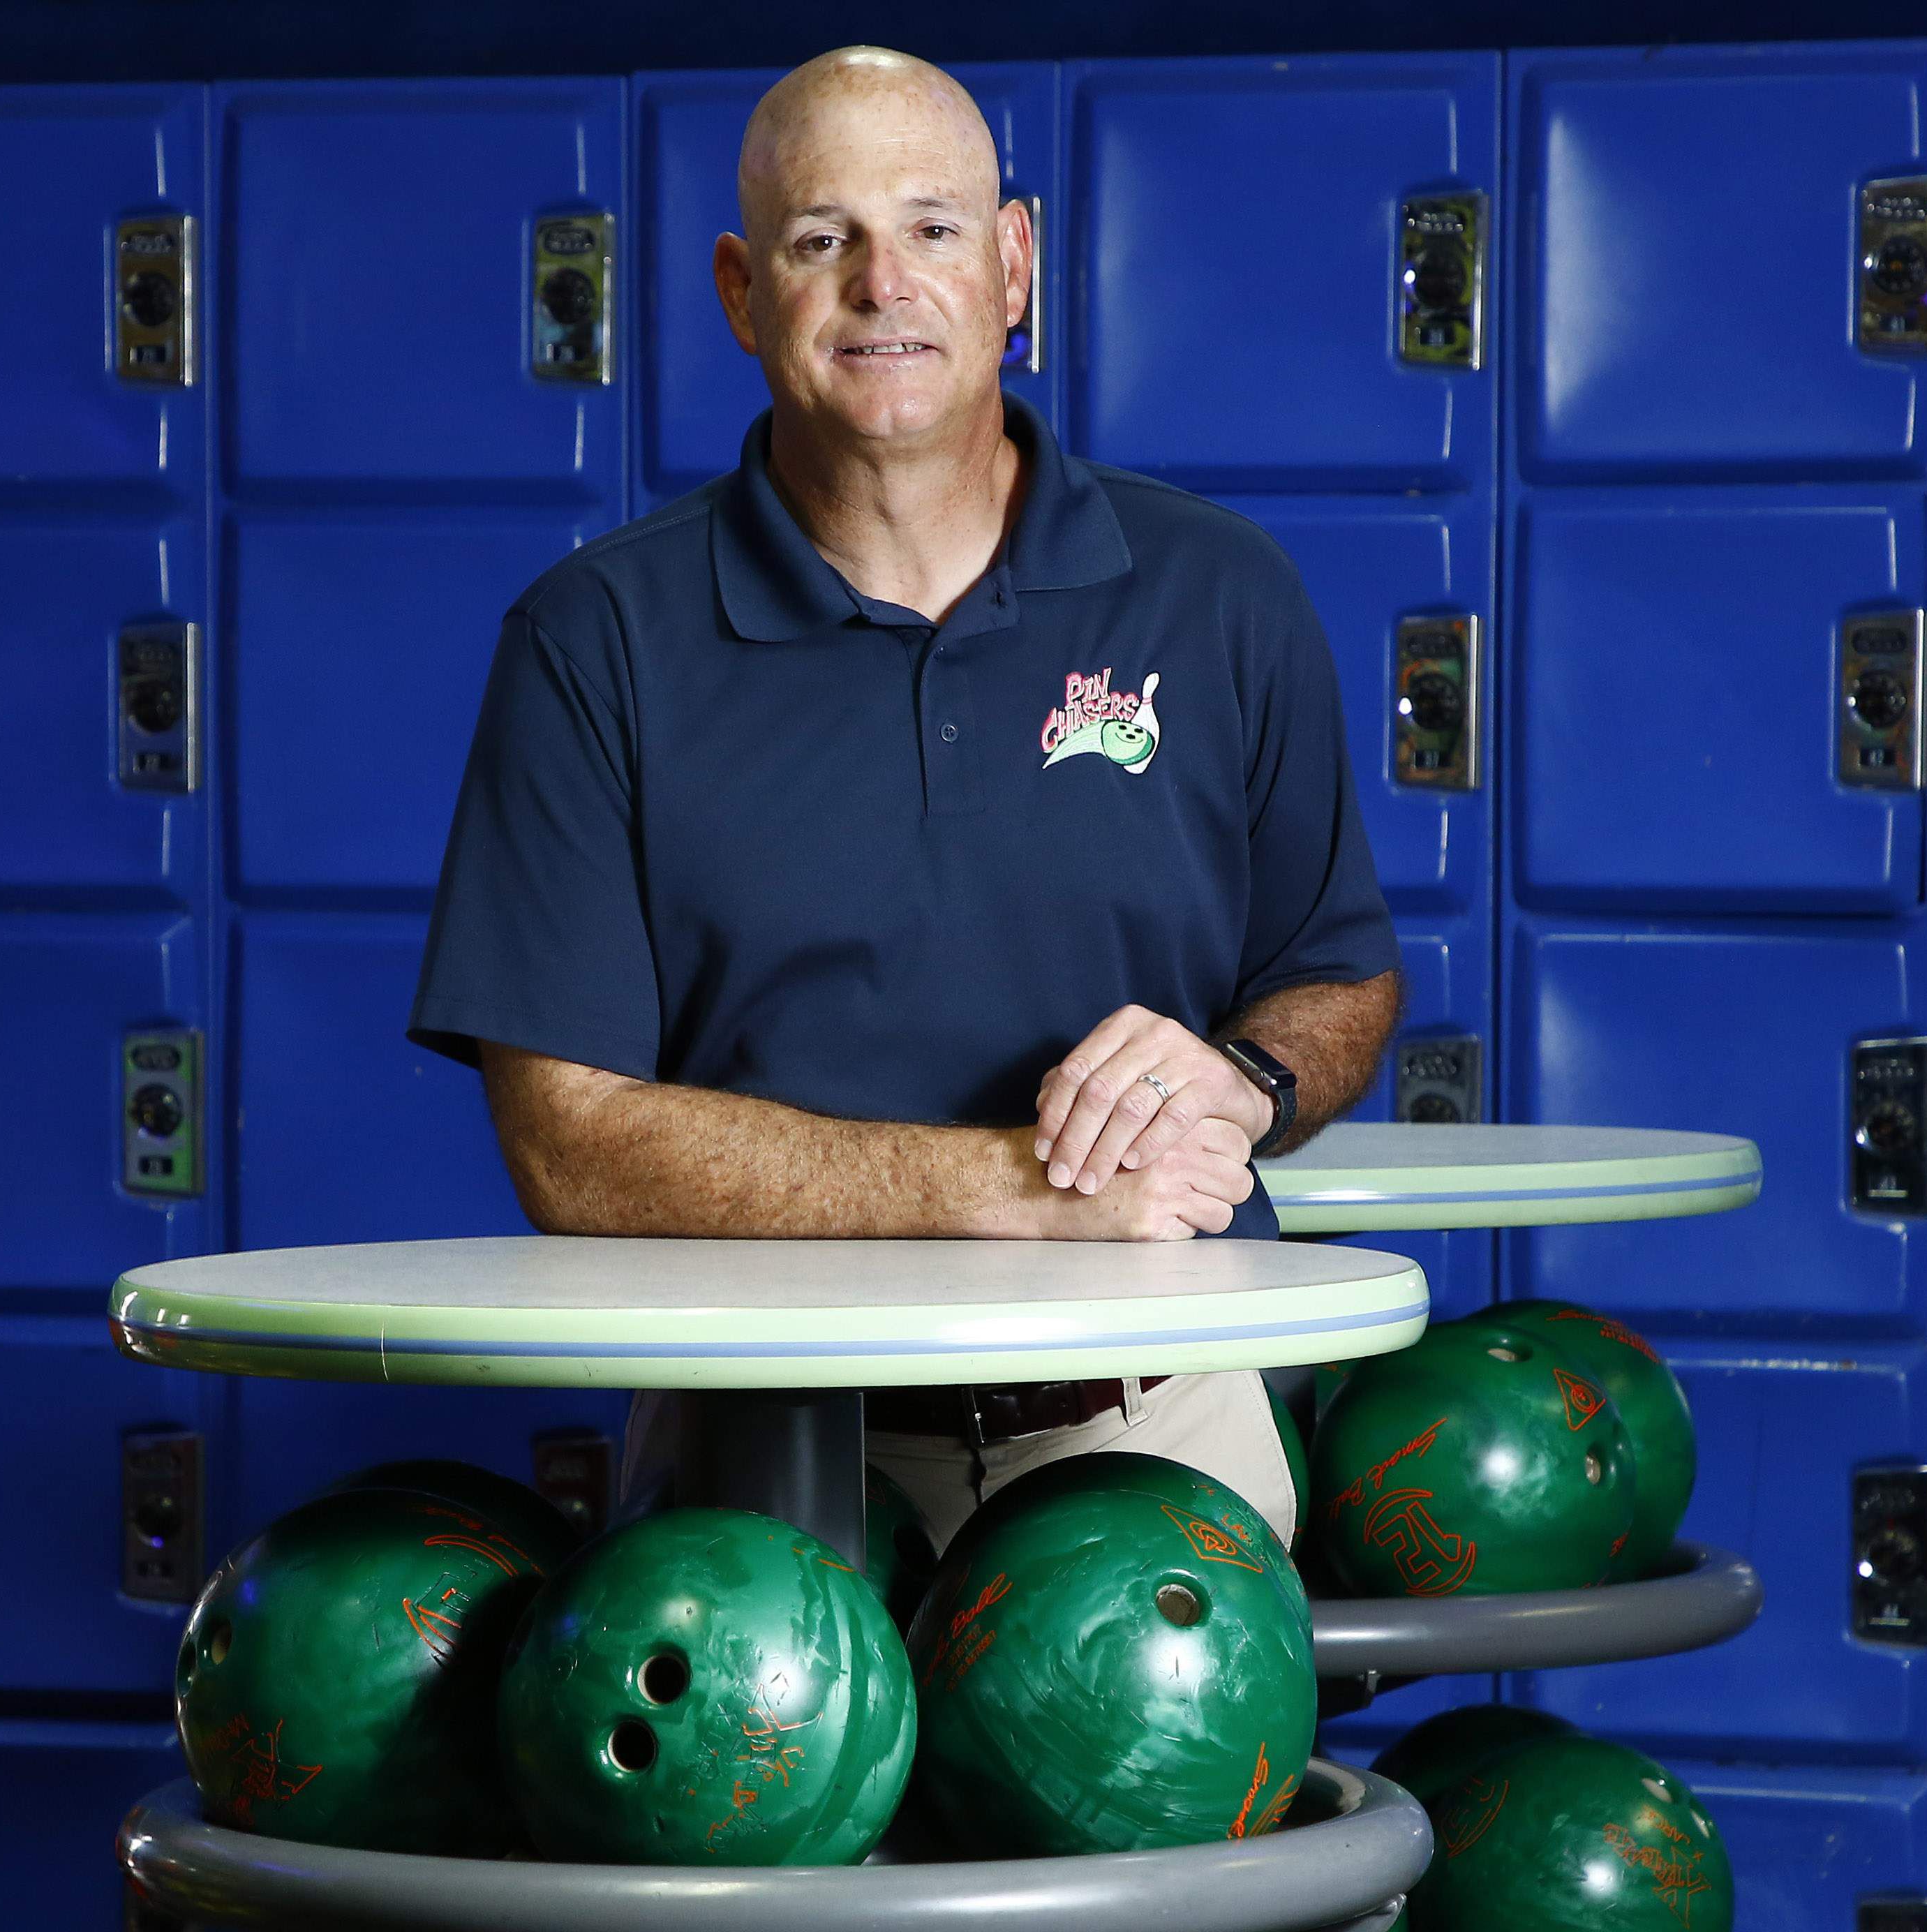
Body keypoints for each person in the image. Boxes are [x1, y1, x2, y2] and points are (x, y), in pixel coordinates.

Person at [408, 45, 1401, 1547]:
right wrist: (1012, 1183)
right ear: (745, 294)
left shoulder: (1219, 593)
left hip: (1166, 1420)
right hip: (762, 1451)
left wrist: (1246, 1083)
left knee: (1208, 1794)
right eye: (825, 239)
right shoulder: (593, 641)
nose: (885, 283)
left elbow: (1337, 977)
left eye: (934, 228)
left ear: (1014, 266)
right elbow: (567, 1140)